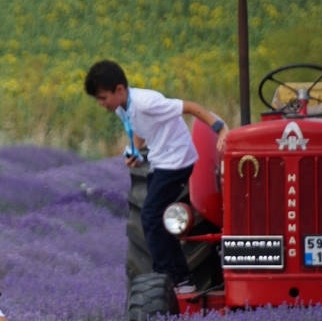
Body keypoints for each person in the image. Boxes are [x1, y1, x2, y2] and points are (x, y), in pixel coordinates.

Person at [84, 59, 227, 293]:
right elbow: (139, 131)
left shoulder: (147, 103)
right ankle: (172, 276)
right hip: (160, 162)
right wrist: (134, 151)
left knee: (151, 216)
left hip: (177, 161)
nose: (101, 104)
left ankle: (173, 278)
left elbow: (191, 107)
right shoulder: (122, 107)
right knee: (155, 220)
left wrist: (220, 128)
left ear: (119, 90)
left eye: (102, 98)